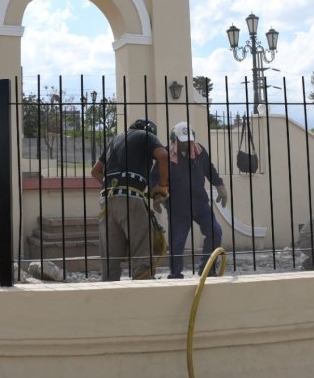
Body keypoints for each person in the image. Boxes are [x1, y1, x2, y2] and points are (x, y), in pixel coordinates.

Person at [91, 118, 170, 281]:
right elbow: (163, 156)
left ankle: (109, 287)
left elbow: (95, 171)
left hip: (107, 200)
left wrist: (114, 186)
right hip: (131, 198)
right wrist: (162, 187)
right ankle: (142, 285)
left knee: (110, 255)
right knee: (141, 248)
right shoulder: (145, 135)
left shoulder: (115, 140)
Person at [152, 121, 228, 278]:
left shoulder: (199, 151)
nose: (186, 143)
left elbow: (210, 170)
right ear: (174, 139)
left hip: (200, 203)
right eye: (182, 140)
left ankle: (207, 268)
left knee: (215, 232)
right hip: (177, 206)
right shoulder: (166, 155)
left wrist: (220, 186)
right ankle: (175, 274)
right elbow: (155, 177)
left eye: (188, 140)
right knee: (177, 242)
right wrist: (157, 196)